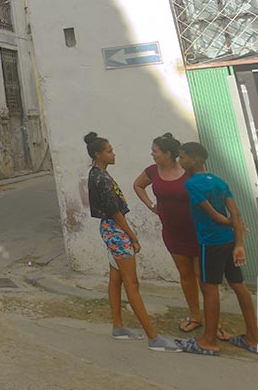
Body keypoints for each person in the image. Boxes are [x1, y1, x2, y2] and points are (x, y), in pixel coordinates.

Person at [84, 132, 181, 352]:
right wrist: (132, 236)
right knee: (132, 283)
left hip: (112, 228)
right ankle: (153, 337)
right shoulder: (101, 178)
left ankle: (118, 326)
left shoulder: (99, 174)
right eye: (109, 151)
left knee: (116, 279)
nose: (113, 154)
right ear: (99, 154)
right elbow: (115, 211)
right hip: (116, 229)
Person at [178, 141, 258, 356]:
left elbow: (213, 215)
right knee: (239, 286)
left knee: (209, 288)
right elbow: (236, 213)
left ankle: (208, 340)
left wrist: (233, 224)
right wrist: (239, 240)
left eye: (182, 157)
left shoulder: (192, 184)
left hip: (210, 243)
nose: (180, 161)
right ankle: (252, 338)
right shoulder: (219, 181)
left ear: (194, 160)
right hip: (230, 241)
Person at [133, 133, 204, 334]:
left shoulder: (188, 170)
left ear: (167, 153)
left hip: (197, 230)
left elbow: (208, 189)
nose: (152, 154)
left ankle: (214, 321)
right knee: (185, 275)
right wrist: (151, 206)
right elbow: (138, 185)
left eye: (155, 151)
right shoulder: (153, 171)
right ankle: (195, 316)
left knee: (202, 276)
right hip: (172, 232)